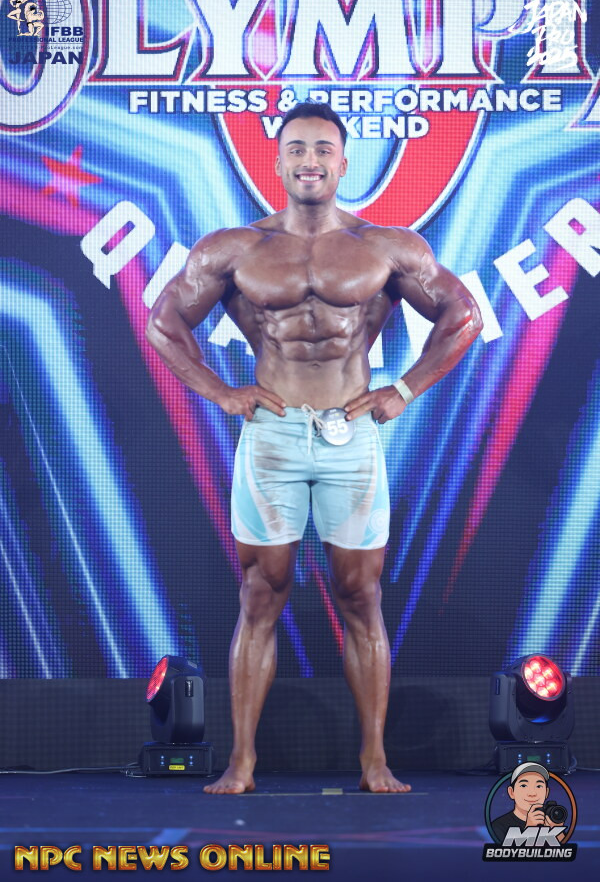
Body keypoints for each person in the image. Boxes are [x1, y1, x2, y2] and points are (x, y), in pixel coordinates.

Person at [146, 101, 482, 794]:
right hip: (272, 435)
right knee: (260, 592)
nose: (310, 161)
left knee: (360, 594)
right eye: (297, 148)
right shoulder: (235, 249)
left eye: (323, 149)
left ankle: (375, 761)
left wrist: (406, 389)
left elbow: (463, 314)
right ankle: (241, 763)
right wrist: (220, 392)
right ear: (276, 162)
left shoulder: (385, 247)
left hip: (349, 435)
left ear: (343, 162)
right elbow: (163, 322)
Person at [491, 763, 566, 843]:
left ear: (546, 793)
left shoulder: (551, 820)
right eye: (524, 786)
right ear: (511, 792)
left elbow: (567, 848)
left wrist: (557, 831)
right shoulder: (498, 826)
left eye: (539, 786)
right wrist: (529, 829)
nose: (532, 793)